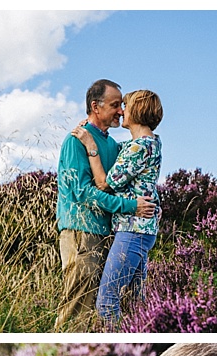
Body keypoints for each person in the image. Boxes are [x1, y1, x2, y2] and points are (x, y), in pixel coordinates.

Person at [54, 78, 155, 331]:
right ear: (95, 107)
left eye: (122, 105)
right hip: (81, 233)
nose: (121, 111)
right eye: (114, 105)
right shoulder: (75, 141)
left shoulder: (111, 144)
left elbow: (137, 152)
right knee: (77, 310)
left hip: (107, 234)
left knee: (100, 313)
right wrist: (130, 206)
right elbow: (83, 193)